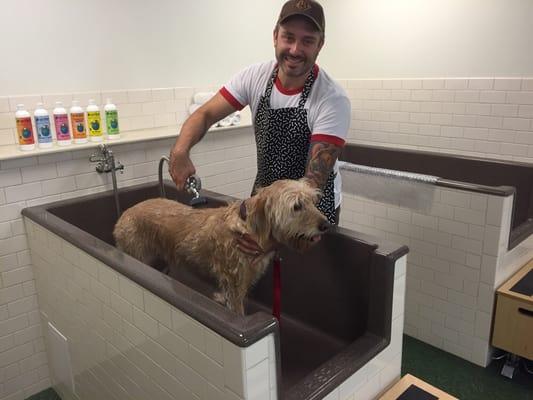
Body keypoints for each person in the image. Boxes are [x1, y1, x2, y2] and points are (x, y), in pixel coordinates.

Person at [169, 0, 350, 228]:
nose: (295, 50)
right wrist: (180, 151)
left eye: (307, 41)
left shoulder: (332, 98)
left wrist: (261, 215)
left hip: (310, 211)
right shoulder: (254, 77)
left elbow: (313, 183)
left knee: (302, 264)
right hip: (266, 204)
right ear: (275, 36)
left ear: (320, 45)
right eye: (288, 37)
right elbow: (204, 114)